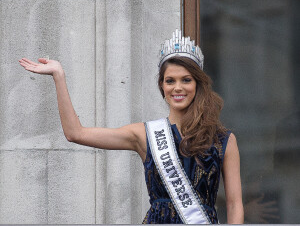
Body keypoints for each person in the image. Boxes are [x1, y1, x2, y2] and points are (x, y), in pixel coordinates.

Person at [19, 29, 244, 224]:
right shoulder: (144, 135)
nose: (178, 87)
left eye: (186, 80)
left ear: (197, 84)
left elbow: (234, 204)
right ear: (161, 86)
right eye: (170, 80)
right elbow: (75, 133)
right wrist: (59, 76)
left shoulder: (223, 139)